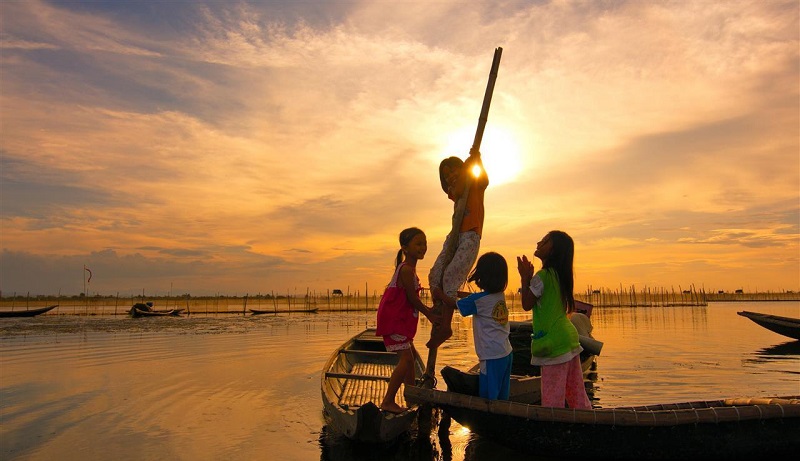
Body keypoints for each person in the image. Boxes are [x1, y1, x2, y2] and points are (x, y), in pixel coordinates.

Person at [424, 146, 489, 383]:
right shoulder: (456, 191)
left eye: (454, 172)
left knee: (451, 277)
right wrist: (463, 172)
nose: (450, 178)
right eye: (446, 176)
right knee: (435, 274)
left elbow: (483, 179)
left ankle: (446, 325)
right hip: (454, 237)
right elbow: (457, 188)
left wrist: (476, 161)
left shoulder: (473, 183)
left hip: (470, 235)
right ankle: (440, 308)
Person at [517, 230, 591, 409]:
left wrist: (524, 278)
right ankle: (587, 422)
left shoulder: (542, 277)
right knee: (576, 395)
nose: (538, 243)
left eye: (544, 241)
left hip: (554, 344)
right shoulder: (559, 276)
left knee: (552, 400)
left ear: (553, 251)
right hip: (568, 339)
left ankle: (552, 430)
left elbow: (526, 304)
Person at [376, 227, 439, 413]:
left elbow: (412, 299)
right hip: (394, 321)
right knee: (405, 360)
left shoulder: (410, 270)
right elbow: (412, 299)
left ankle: (410, 397)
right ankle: (388, 401)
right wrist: (429, 313)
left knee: (410, 361)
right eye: (418, 244)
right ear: (405, 248)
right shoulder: (406, 270)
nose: (423, 247)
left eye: (425, 243)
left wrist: (430, 309)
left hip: (400, 322)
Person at [434, 251, 512, 400]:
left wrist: (440, 294)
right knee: (502, 395)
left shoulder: (479, 300)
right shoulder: (498, 295)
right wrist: (458, 293)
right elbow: (473, 299)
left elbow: (453, 304)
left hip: (491, 356)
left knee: (488, 397)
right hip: (506, 352)